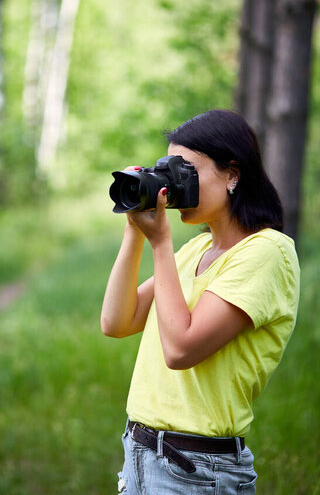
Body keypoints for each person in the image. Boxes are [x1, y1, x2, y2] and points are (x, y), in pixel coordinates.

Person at [101, 109, 300, 494]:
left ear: (232, 174)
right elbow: (116, 321)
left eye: (187, 170)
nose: (175, 184)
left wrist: (160, 242)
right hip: (140, 455)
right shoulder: (198, 249)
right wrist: (135, 230)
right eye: (169, 169)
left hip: (196, 471)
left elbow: (179, 350)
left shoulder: (267, 252)